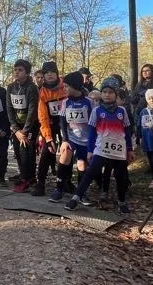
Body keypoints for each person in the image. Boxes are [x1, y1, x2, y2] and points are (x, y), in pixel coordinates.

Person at [65, 78, 134, 213]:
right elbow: (92, 133)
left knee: (121, 176)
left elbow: (127, 131)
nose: (107, 95)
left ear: (116, 94)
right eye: (104, 92)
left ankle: (122, 201)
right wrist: (90, 151)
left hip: (119, 151)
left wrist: (130, 149)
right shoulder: (96, 111)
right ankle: (76, 197)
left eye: (110, 92)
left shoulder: (122, 111)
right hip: (101, 149)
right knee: (90, 173)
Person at [49, 71, 93, 203]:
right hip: (71, 137)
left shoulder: (89, 102)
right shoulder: (65, 102)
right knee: (65, 155)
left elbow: (94, 124)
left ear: (75, 86)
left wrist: (92, 143)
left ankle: (81, 192)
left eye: (67, 86)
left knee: (82, 164)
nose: (64, 88)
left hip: (86, 140)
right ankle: (59, 189)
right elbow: (62, 122)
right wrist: (65, 140)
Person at [34, 61, 67, 197]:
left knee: (67, 151)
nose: (50, 75)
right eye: (46, 72)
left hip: (67, 122)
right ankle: (40, 183)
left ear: (57, 73)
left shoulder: (65, 86)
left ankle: (66, 181)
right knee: (46, 152)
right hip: (51, 123)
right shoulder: (42, 93)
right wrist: (47, 137)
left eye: (52, 72)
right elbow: (43, 117)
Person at [7, 59, 40, 193]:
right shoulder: (10, 87)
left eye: (20, 70)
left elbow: (33, 110)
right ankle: (24, 175)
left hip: (29, 126)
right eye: (15, 70)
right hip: (17, 126)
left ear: (26, 72)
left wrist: (24, 131)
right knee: (17, 151)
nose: (17, 72)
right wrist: (15, 129)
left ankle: (28, 178)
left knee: (26, 151)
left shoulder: (32, 88)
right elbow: (9, 108)